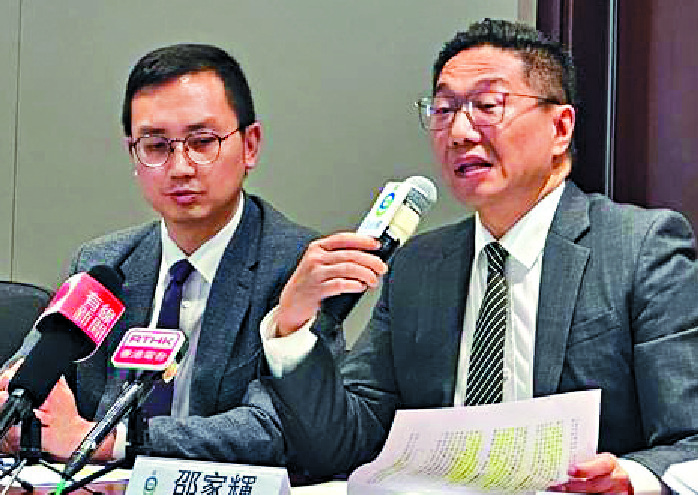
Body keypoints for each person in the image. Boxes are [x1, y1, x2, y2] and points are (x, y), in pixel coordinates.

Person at [260, 18, 698, 494]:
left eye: (488, 106)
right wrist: (292, 324)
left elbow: (689, 439)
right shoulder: (418, 266)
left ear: (560, 128)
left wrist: (631, 478)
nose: (459, 132)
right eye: (444, 109)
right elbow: (346, 444)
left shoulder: (639, 247)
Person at [0, 43, 342, 465]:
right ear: (133, 154)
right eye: (157, 146)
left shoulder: (297, 268)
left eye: (203, 141)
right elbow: (26, 384)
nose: (180, 167)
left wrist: (105, 441)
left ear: (250, 145)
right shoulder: (103, 264)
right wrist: (15, 403)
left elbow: (281, 428)